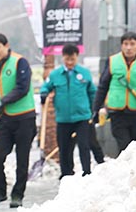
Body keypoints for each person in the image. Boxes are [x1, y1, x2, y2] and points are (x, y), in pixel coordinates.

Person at [0, 33, 37, 208]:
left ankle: (18, 195)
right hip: (5, 120)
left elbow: (22, 88)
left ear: (6, 45)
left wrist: (3, 101)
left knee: (22, 159)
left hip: (24, 118)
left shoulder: (19, 62)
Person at [93, 31, 136, 153]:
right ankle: (126, 169)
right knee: (124, 146)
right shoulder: (112, 61)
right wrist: (95, 108)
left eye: (132, 44)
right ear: (122, 46)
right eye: (125, 44)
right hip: (117, 112)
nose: (129, 48)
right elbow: (103, 87)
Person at [39, 43, 96, 178]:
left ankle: (87, 173)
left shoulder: (84, 73)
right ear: (63, 57)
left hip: (82, 116)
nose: (70, 62)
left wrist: (94, 110)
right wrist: (43, 94)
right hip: (63, 118)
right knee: (64, 148)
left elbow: (92, 93)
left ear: (77, 57)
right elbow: (46, 87)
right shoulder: (55, 75)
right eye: (67, 59)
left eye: (72, 59)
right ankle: (66, 173)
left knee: (84, 146)